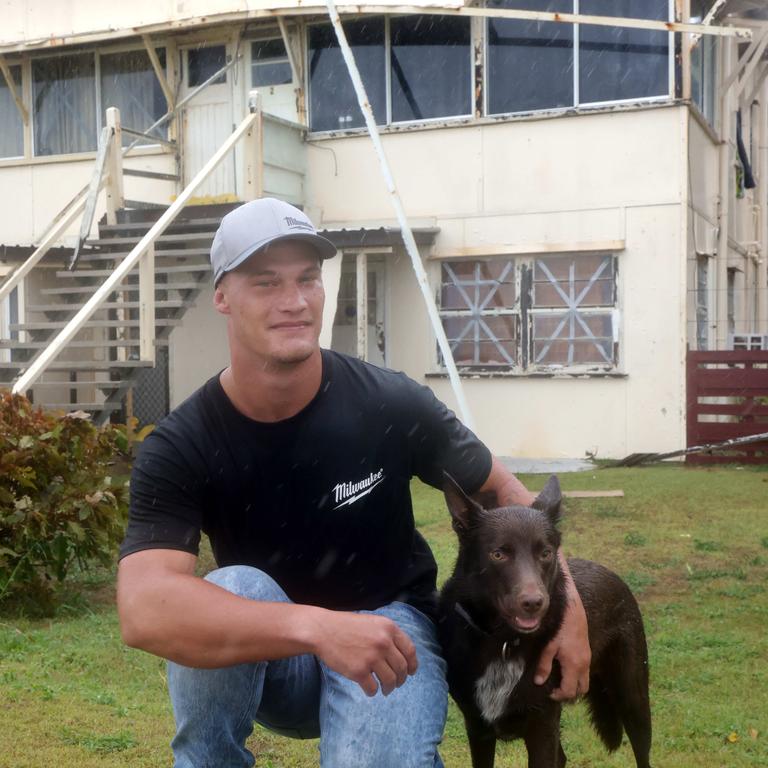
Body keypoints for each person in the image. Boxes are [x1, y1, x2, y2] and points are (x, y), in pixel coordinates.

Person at [116, 198, 590, 768]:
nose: (294, 302)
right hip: (275, 653)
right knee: (236, 586)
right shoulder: (183, 442)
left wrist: (573, 611)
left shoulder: (388, 401)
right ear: (222, 296)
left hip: (391, 636)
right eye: (266, 283)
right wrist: (315, 627)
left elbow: (505, 494)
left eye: (308, 280)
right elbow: (144, 607)